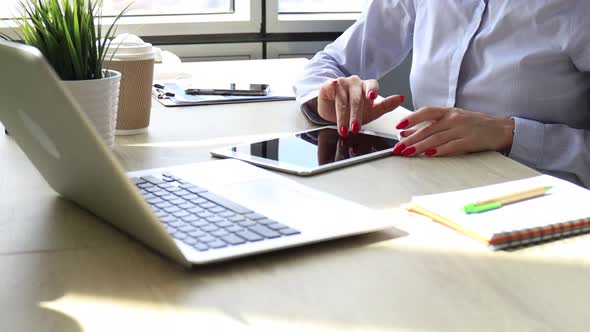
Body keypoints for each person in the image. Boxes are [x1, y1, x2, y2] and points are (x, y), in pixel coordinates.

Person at [293, 0, 590, 188]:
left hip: (546, 205)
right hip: (428, 194)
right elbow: (330, 62)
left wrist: (510, 134)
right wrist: (331, 96)